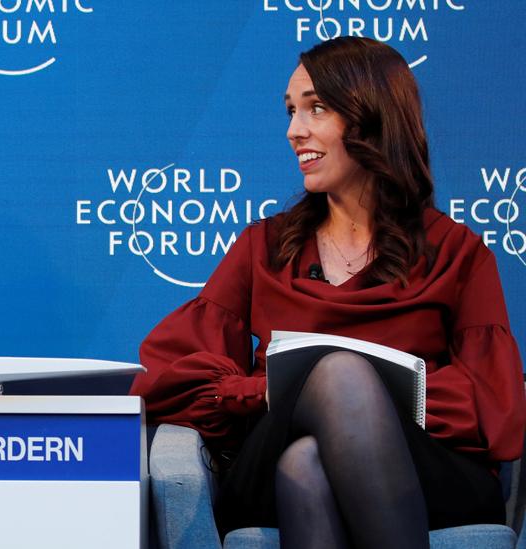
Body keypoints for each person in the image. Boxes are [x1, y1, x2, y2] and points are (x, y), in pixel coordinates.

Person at [130, 36, 526, 548]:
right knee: (325, 399)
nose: (295, 131)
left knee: (311, 463)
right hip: (267, 465)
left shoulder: (457, 253)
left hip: (423, 473)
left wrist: (387, 397)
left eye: (316, 109)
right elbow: (164, 374)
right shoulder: (263, 247)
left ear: (373, 117)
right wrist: (272, 392)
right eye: (291, 111)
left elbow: (495, 408)